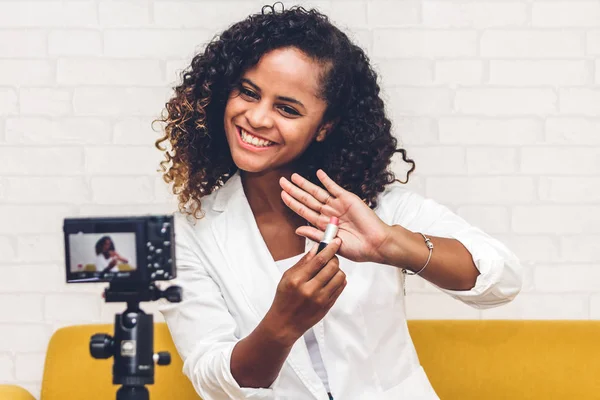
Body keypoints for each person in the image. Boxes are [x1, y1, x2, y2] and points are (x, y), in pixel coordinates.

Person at [155, 4, 523, 399]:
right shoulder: (189, 234)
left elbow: (501, 280)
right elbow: (211, 377)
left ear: (323, 127)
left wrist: (393, 245)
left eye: (287, 108)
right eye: (248, 92)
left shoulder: (375, 206)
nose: (258, 117)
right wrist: (279, 326)